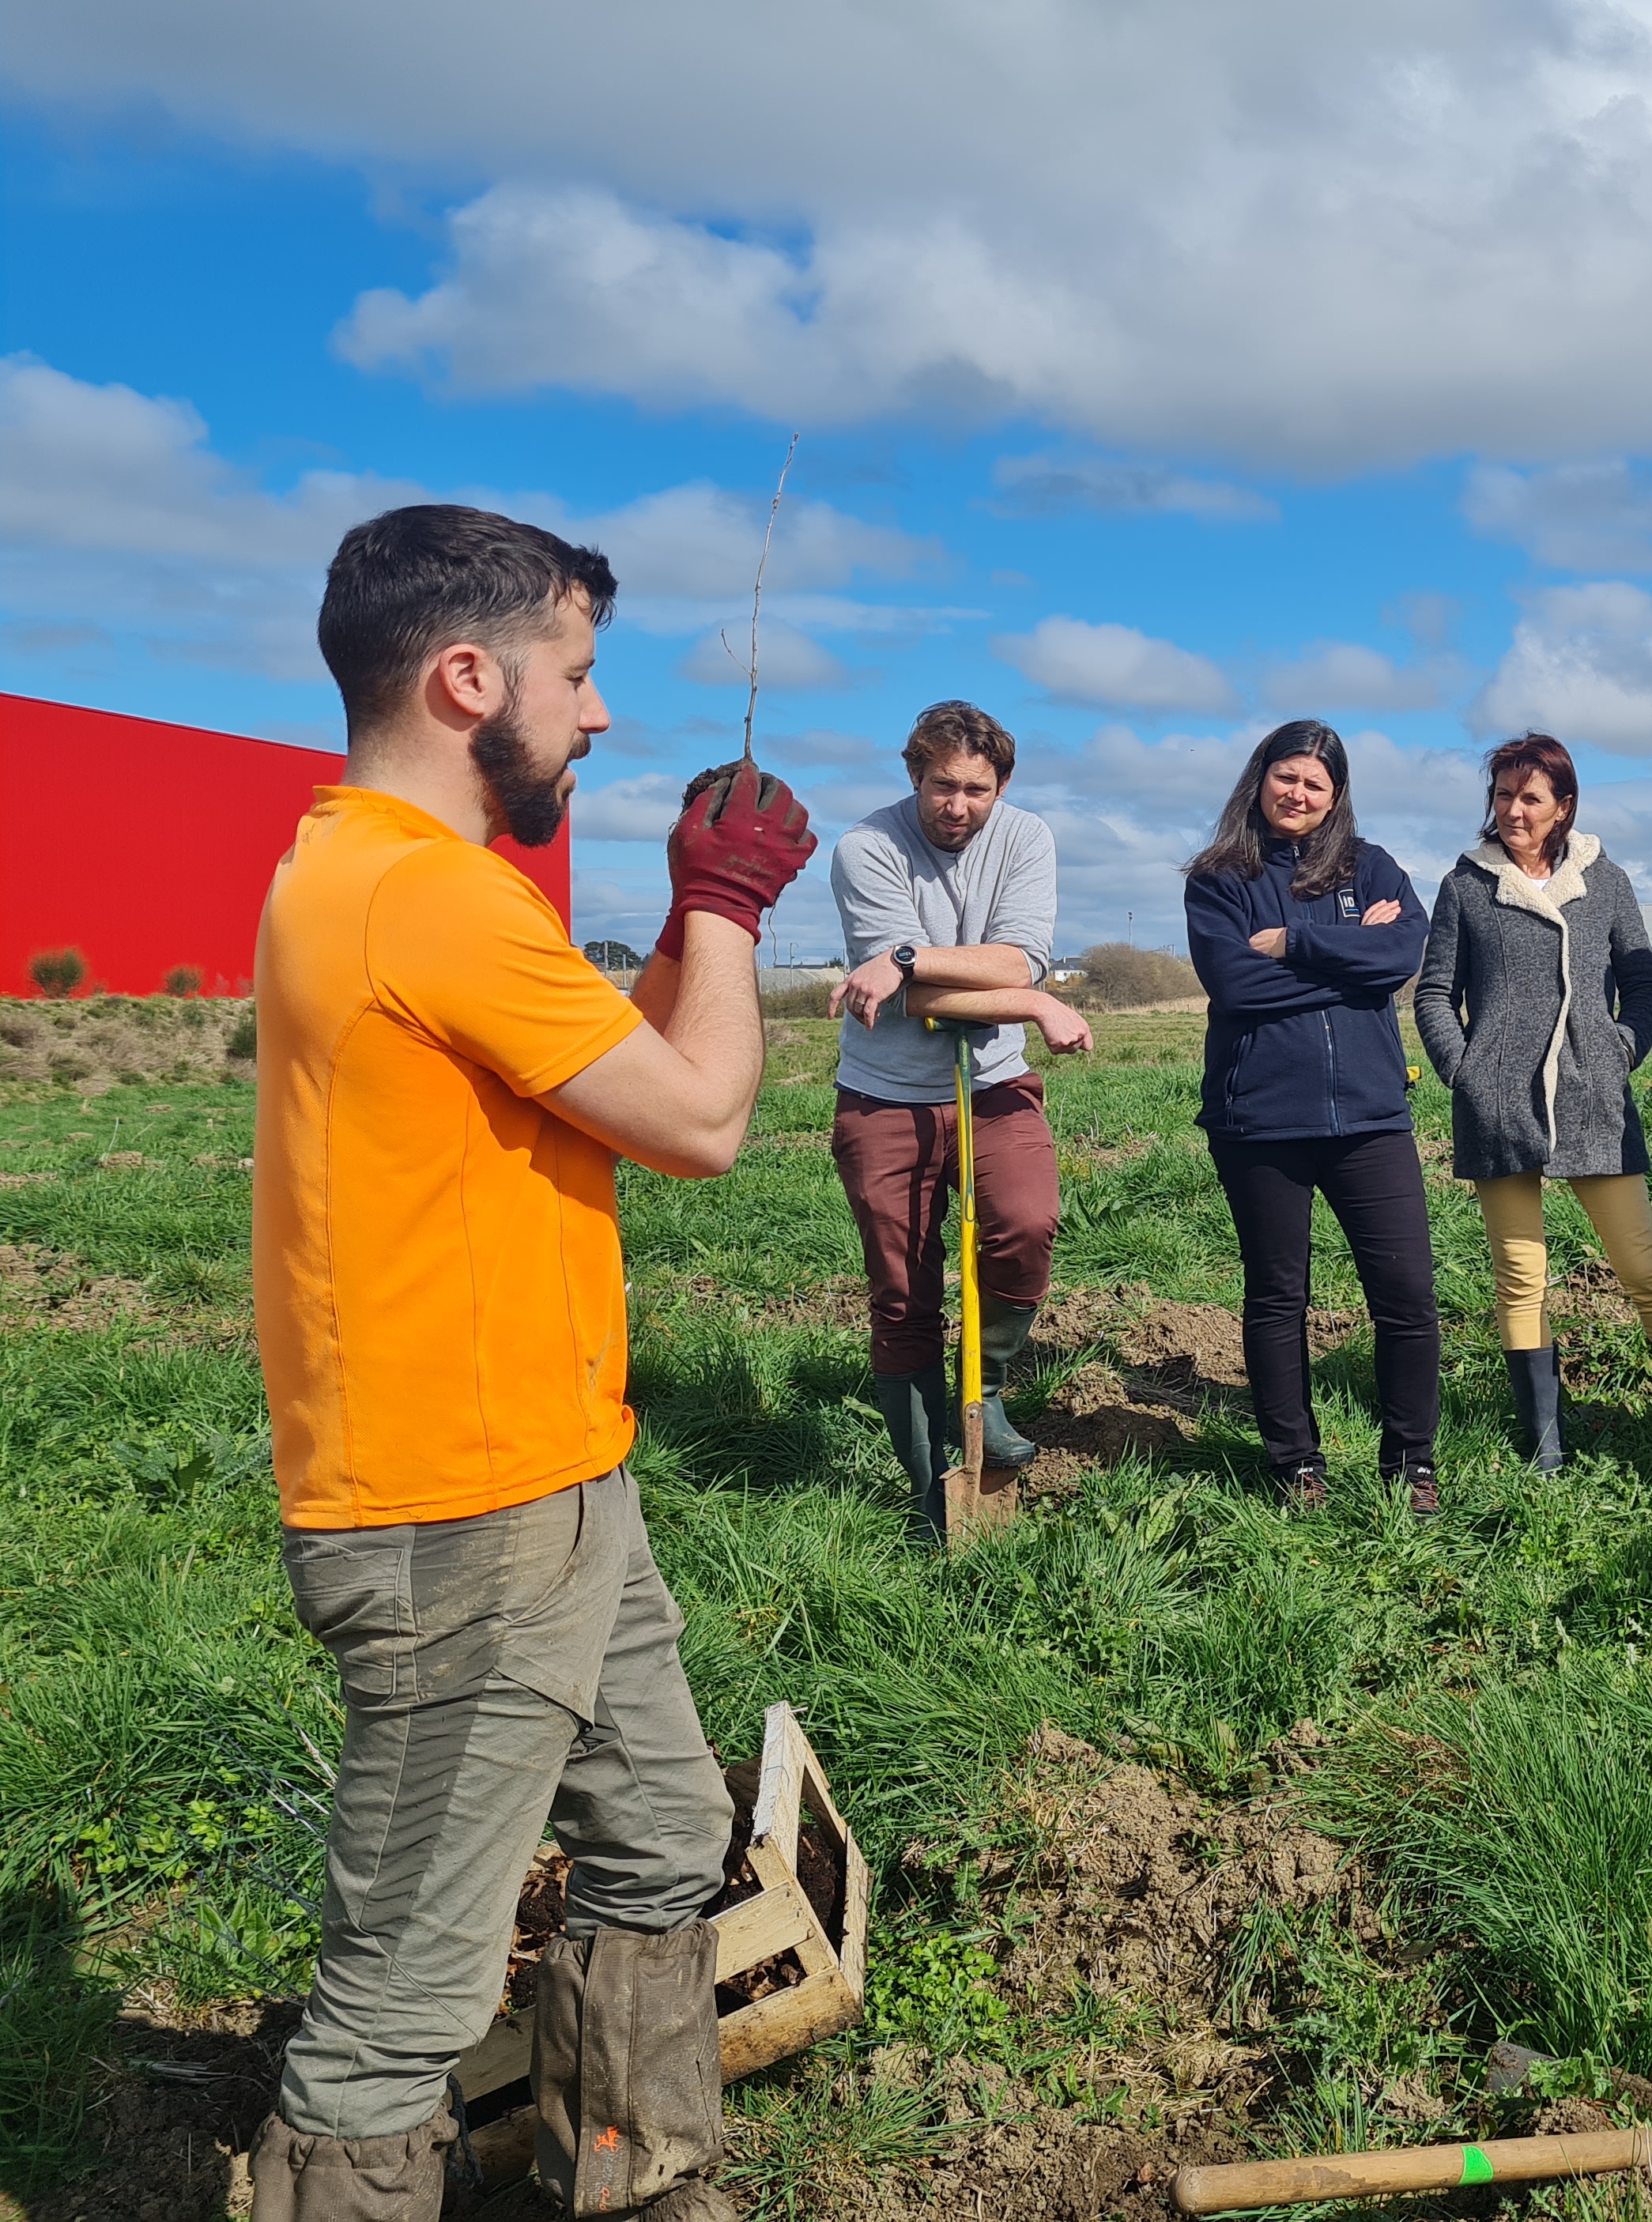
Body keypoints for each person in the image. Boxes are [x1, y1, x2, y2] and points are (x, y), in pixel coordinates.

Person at [251, 505, 817, 2220]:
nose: (598, 714)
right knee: (396, 2013)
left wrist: (683, 920)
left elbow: (621, 1074)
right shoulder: (422, 898)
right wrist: (724, 904)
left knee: (657, 1842)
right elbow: (705, 1119)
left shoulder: (390, 881)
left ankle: (636, 2186)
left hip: (557, 1478)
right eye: (578, 675)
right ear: (467, 677)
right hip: (454, 1524)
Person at [1415, 731, 1652, 1471]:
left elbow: (1644, 982)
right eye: (1503, 796)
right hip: (1500, 1108)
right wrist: (1469, 1073)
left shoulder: (1605, 880)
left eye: (1530, 798)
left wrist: (1619, 1051)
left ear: (1563, 806)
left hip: (1594, 1104)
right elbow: (1434, 993)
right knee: (1520, 1275)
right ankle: (1545, 1446)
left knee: (1644, 1265)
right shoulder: (1466, 885)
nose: (1514, 810)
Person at [824, 700, 1092, 1545]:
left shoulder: (1026, 838)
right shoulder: (865, 848)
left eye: (977, 789)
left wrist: (903, 958)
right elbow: (931, 997)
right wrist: (1035, 1003)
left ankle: (988, 1387)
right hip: (884, 1092)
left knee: (1025, 1221)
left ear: (1000, 785)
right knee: (903, 1287)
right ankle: (925, 1480)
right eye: (942, 786)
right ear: (915, 776)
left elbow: (1014, 956)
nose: (958, 806)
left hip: (993, 1084)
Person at [1184, 722, 1441, 1510]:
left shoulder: (1373, 865)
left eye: (1315, 784)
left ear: (1337, 795)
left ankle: (1412, 1465)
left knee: (1406, 1294)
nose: (1297, 795)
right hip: (1259, 1119)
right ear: (1261, 778)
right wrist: (1345, 961)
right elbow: (1236, 988)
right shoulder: (1218, 878)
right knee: (1277, 1295)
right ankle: (1296, 1465)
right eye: (1285, 777)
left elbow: (1403, 955)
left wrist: (1292, 942)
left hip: (1370, 1117)